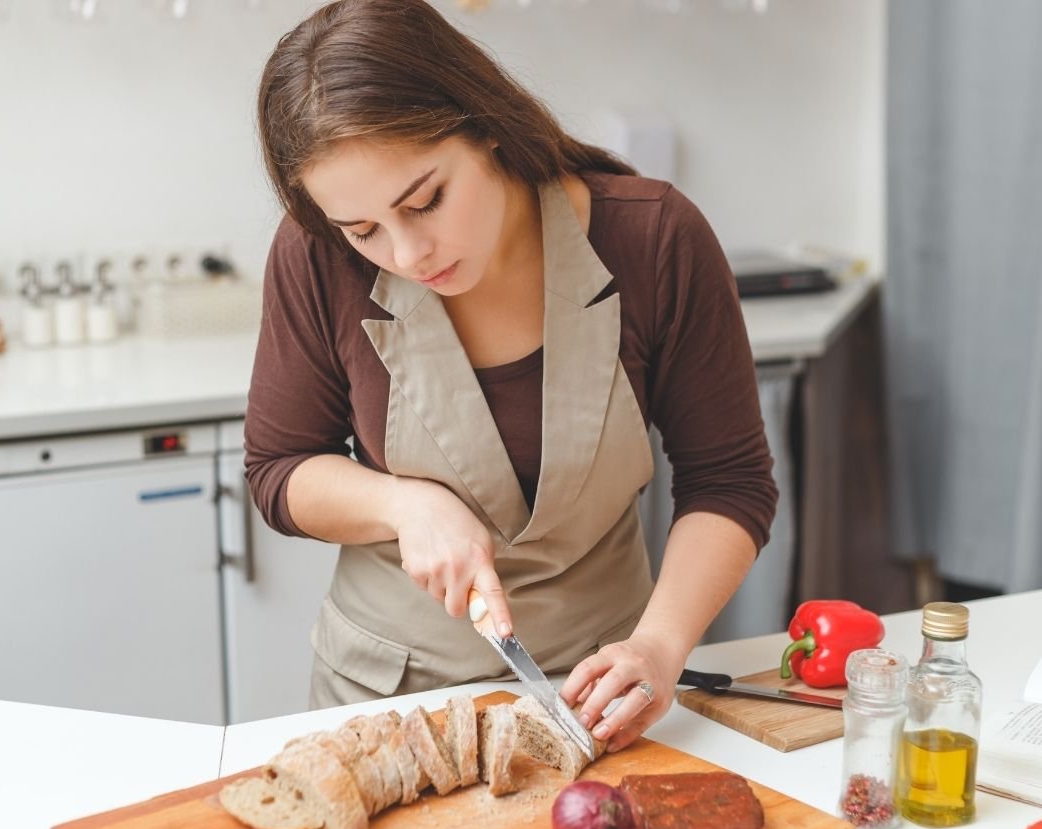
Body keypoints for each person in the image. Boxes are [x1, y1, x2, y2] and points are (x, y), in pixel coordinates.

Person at [245, 0, 777, 752]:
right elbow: (277, 469)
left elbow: (730, 481)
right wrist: (404, 505)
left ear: (486, 124)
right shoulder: (312, 258)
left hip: (602, 692)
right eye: (362, 230)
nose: (406, 254)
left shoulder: (654, 240)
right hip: (386, 698)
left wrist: (659, 646)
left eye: (425, 200)